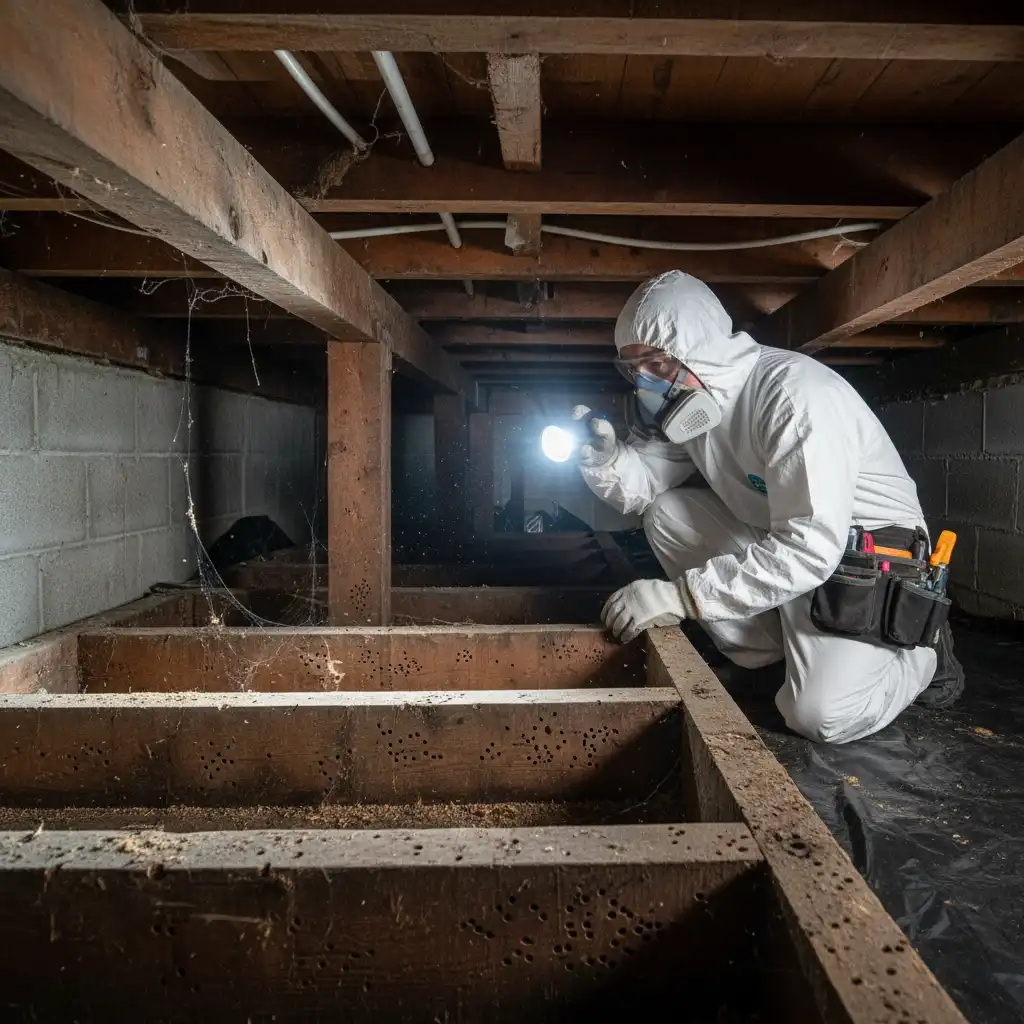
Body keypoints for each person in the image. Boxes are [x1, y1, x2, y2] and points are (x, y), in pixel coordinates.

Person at [576, 271, 964, 745]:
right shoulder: (698, 405)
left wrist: (680, 598)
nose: (646, 383)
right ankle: (773, 657)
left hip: (866, 562)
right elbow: (643, 488)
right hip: (787, 545)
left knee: (820, 715)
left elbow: (812, 547)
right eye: (633, 369)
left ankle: (923, 655)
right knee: (666, 512)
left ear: (698, 351)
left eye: (655, 364)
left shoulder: (792, 395)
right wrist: (606, 460)